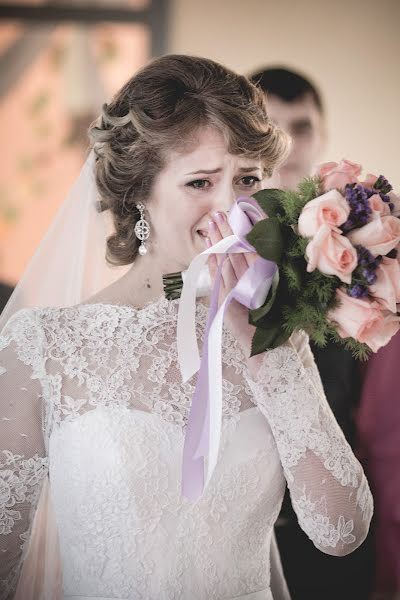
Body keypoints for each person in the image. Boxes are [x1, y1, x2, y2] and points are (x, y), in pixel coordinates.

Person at [0, 55, 373, 600]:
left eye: (247, 179)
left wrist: (264, 348)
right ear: (137, 195)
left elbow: (341, 533)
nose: (229, 205)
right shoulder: (42, 345)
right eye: (200, 181)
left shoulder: (281, 334)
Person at [249, 66, 374, 599]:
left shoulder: (365, 246)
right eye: (271, 128)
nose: (288, 143)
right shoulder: (206, 251)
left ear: (321, 135)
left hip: (338, 497)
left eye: (300, 127)